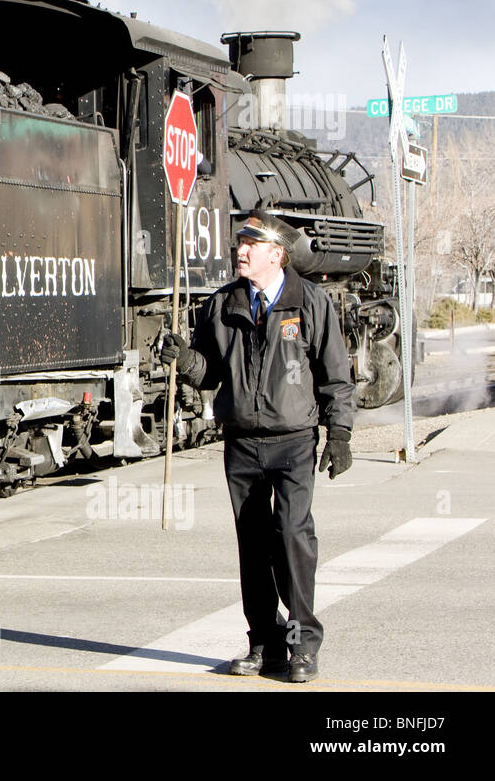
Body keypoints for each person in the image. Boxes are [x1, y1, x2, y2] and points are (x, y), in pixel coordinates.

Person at [160, 208, 353, 683]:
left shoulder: (308, 301)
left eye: (251, 244)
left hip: (294, 441)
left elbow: (335, 375)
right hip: (242, 442)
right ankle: (264, 642)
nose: (239, 250)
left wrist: (341, 432)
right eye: (240, 243)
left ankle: (303, 642)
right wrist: (184, 359)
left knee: (291, 536)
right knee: (252, 545)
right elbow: (211, 372)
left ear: (277, 254)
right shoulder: (222, 305)